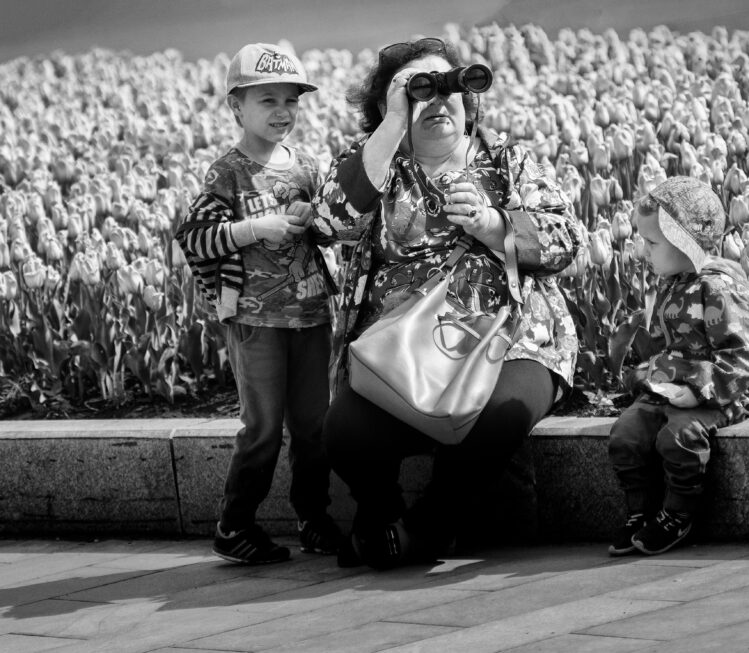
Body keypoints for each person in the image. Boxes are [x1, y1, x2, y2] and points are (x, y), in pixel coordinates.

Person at [313, 37, 582, 569]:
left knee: (498, 416)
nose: (438, 101)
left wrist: (494, 225)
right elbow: (329, 222)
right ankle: (382, 513)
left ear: (468, 101)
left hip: (512, 338)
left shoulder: (508, 161)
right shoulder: (375, 168)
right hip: (405, 349)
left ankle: (427, 528)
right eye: (419, 92)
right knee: (344, 430)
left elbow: (566, 240)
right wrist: (391, 127)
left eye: (450, 88)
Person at [176, 43, 341, 564]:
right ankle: (235, 524)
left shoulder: (309, 166)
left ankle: (314, 518)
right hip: (254, 318)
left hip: (312, 313)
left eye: (291, 101)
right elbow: (194, 238)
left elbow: (331, 231)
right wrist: (253, 229)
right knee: (264, 426)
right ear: (235, 107)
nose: (281, 112)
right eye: (267, 100)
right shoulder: (226, 173)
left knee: (315, 426)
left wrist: (319, 223)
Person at [607, 177, 749, 556]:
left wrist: (697, 393)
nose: (644, 252)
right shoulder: (675, 281)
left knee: (676, 437)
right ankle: (639, 510)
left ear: (685, 241)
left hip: (720, 392)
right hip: (672, 384)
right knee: (625, 434)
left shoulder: (719, 288)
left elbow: (740, 357)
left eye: (652, 242)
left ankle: (678, 512)